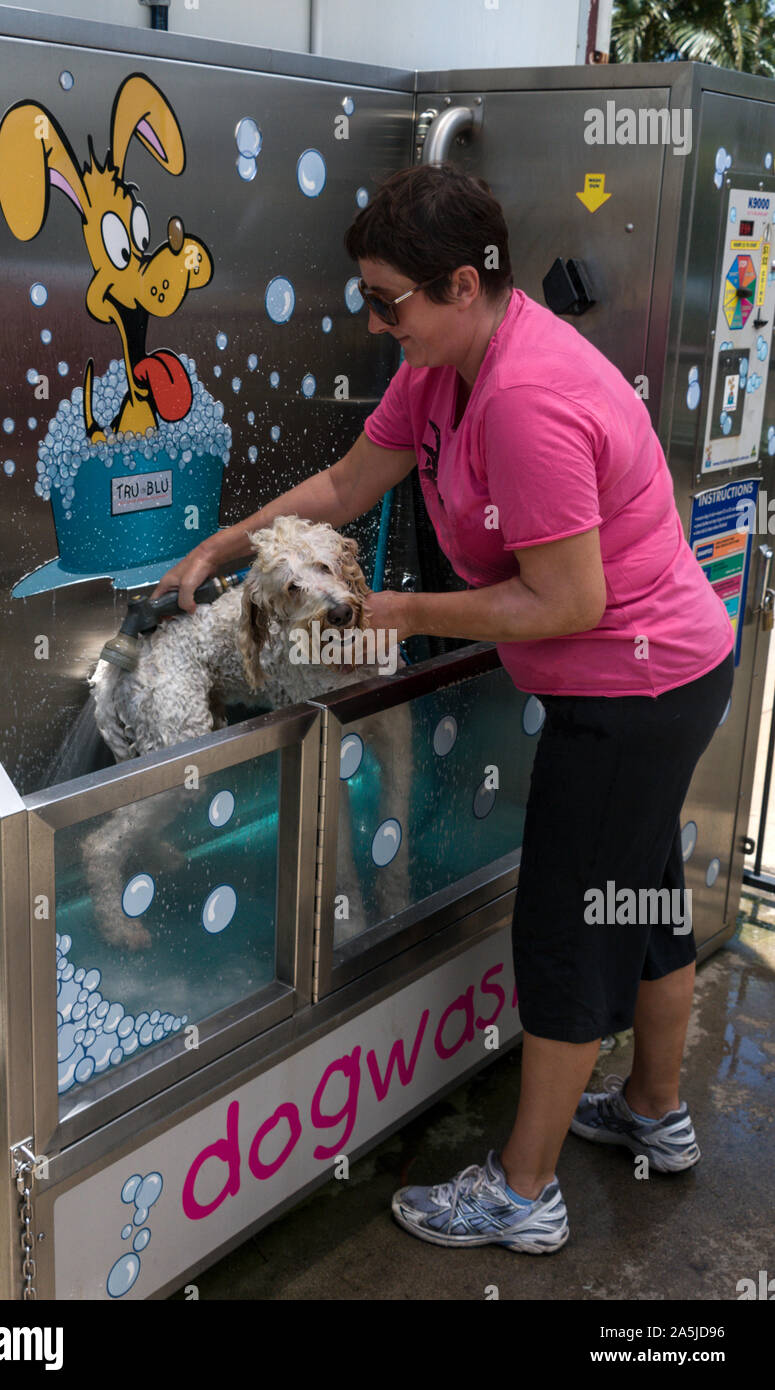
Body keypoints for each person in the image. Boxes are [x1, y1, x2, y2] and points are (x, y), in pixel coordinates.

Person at [153, 163, 735, 1252]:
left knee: (562, 932)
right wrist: (225, 546)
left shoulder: (524, 397)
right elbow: (342, 485)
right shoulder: (439, 368)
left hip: (633, 688)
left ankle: (522, 1190)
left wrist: (398, 608)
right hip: (668, 671)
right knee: (640, 899)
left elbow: (569, 598)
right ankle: (653, 1112)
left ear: (463, 285)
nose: (375, 323)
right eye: (364, 300)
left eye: (388, 301)